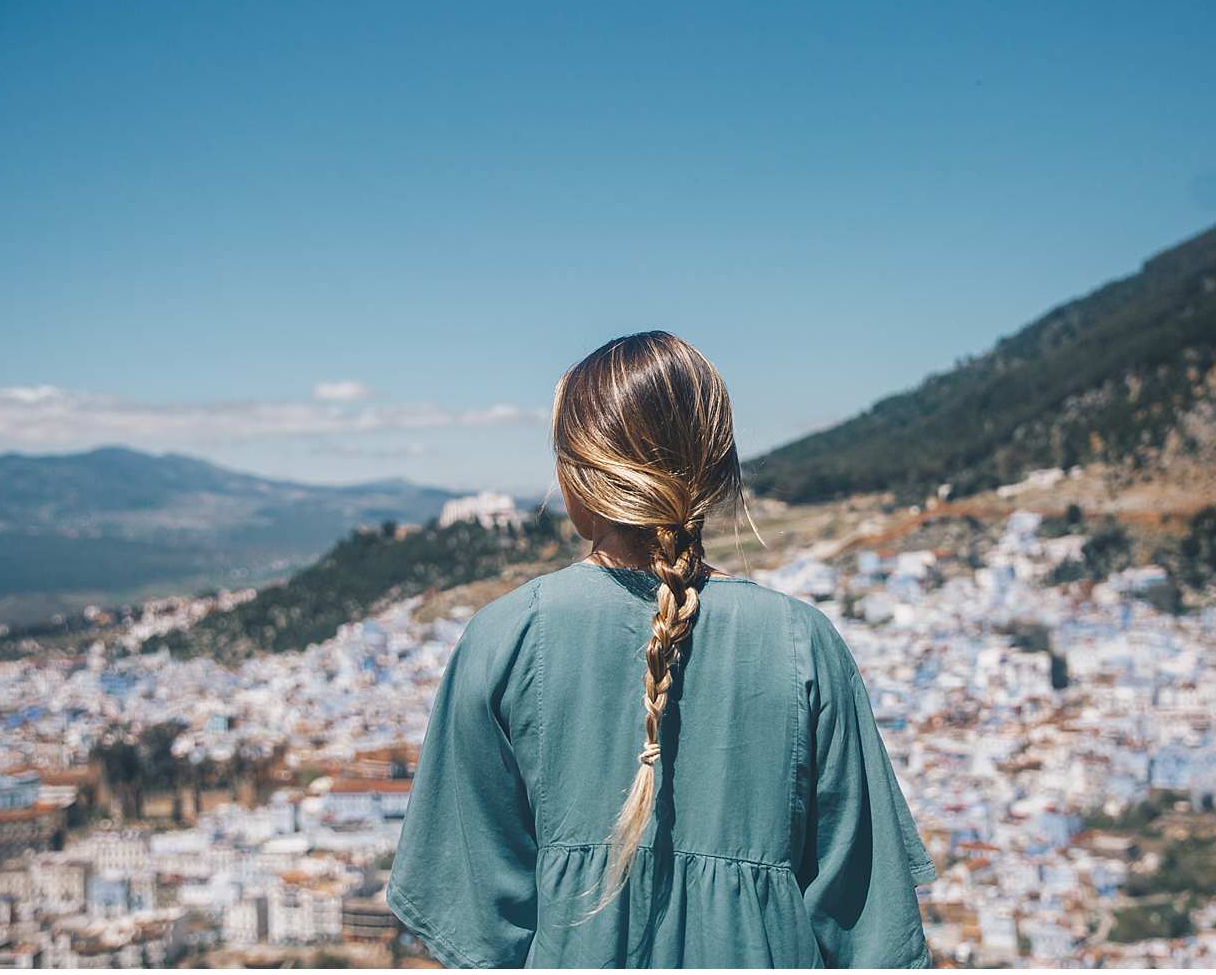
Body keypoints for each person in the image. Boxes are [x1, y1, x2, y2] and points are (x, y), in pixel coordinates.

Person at [386, 331, 937, 967]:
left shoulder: (504, 639)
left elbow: (477, 927)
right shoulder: (803, 645)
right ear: (721, 470)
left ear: (576, 478)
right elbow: (869, 929)